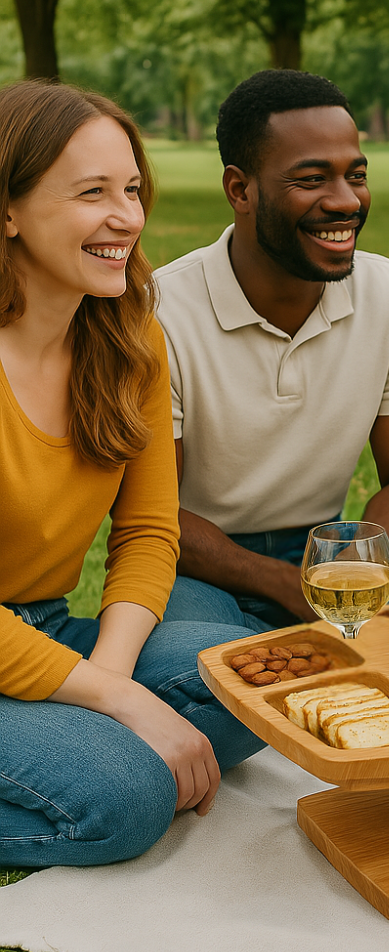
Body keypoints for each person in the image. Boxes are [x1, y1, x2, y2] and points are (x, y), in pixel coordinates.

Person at [0, 80, 263, 867]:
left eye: (132, 189)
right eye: (92, 193)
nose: (127, 217)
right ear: (8, 211)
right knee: (128, 796)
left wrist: (108, 680)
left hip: (45, 628)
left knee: (253, 680)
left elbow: (148, 531)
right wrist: (116, 701)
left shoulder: (129, 338)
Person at [156, 71, 389, 632]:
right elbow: (153, 516)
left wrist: (348, 567)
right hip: (197, 567)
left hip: (334, 547)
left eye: (356, 175)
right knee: (189, 670)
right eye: (312, 179)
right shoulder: (159, 312)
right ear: (240, 190)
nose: (345, 201)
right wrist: (287, 585)